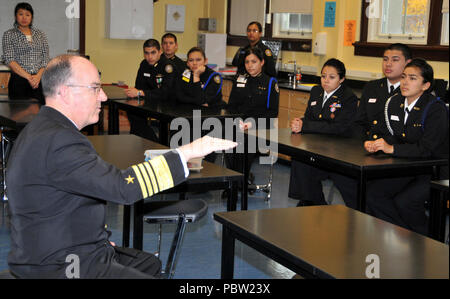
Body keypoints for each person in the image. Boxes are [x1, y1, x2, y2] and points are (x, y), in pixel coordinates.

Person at [6, 54, 237, 279]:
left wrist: (96, 239)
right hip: (61, 264)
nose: (104, 97)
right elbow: (122, 187)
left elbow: (62, 200)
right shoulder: (59, 140)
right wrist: (185, 153)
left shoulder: (44, 128)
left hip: (57, 247)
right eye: (96, 88)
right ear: (66, 92)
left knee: (149, 264)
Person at [364, 58, 449, 235]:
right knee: (373, 193)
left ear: (425, 85)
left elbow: (427, 148)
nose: (404, 82)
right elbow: (393, 134)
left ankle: (427, 239)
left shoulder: (435, 109)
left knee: (406, 202)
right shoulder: (395, 103)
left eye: (412, 78)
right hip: (407, 164)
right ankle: (399, 236)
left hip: (434, 169)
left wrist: (392, 149)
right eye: (403, 77)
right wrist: (376, 142)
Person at [288, 58, 358, 208]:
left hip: (337, 148)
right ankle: (312, 201)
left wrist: (306, 125)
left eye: (331, 77)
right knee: (299, 159)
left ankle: (311, 201)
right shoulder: (316, 91)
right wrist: (299, 123)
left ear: (342, 79)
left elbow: (338, 127)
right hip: (314, 143)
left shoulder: (348, 97)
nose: (326, 81)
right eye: (323, 76)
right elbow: (308, 117)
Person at [226, 47, 279, 185]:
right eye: (247, 62)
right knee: (227, 143)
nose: (250, 65)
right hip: (238, 124)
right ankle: (235, 181)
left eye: (254, 61)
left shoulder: (270, 82)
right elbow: (231, 106)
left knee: (244, 144)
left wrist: (251, 123)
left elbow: (272, 113)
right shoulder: (240, 79)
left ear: (262, 62)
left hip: (259, 127)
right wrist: (236, 120)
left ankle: (239, 182)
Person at [352, 43, 412, 140]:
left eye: (395, 60)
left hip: (395, 147)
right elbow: (360, 122)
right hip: (367, 143)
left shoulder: (411, 91)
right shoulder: (372, 87)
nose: (388, 64)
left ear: (408, 63)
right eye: (385, 59)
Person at [125, 39, 177, 141]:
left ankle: (153, 142)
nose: (150, 57)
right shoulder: (144, 64)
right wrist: (136, 92)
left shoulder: (167, 67)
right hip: (150, 100)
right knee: (132, 110)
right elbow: (139, 86)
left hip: (168, 103)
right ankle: (141, 140)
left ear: (160, 52)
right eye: (146, 53)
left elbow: (165, 93)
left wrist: (141, 93)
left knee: (139, 119)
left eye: (153, 53)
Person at [1, 2, 49, 104]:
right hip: (19, 81)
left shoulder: (40, 34)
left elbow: (45, 58)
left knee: (40, 115)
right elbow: (10, 60)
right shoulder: (9, 34)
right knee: (19, 116)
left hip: (39, 81)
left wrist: (37, 77)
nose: (24, 18)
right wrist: (29, 77)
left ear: (32, 17)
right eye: (21, 14)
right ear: (15, 16)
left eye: (27, 15)